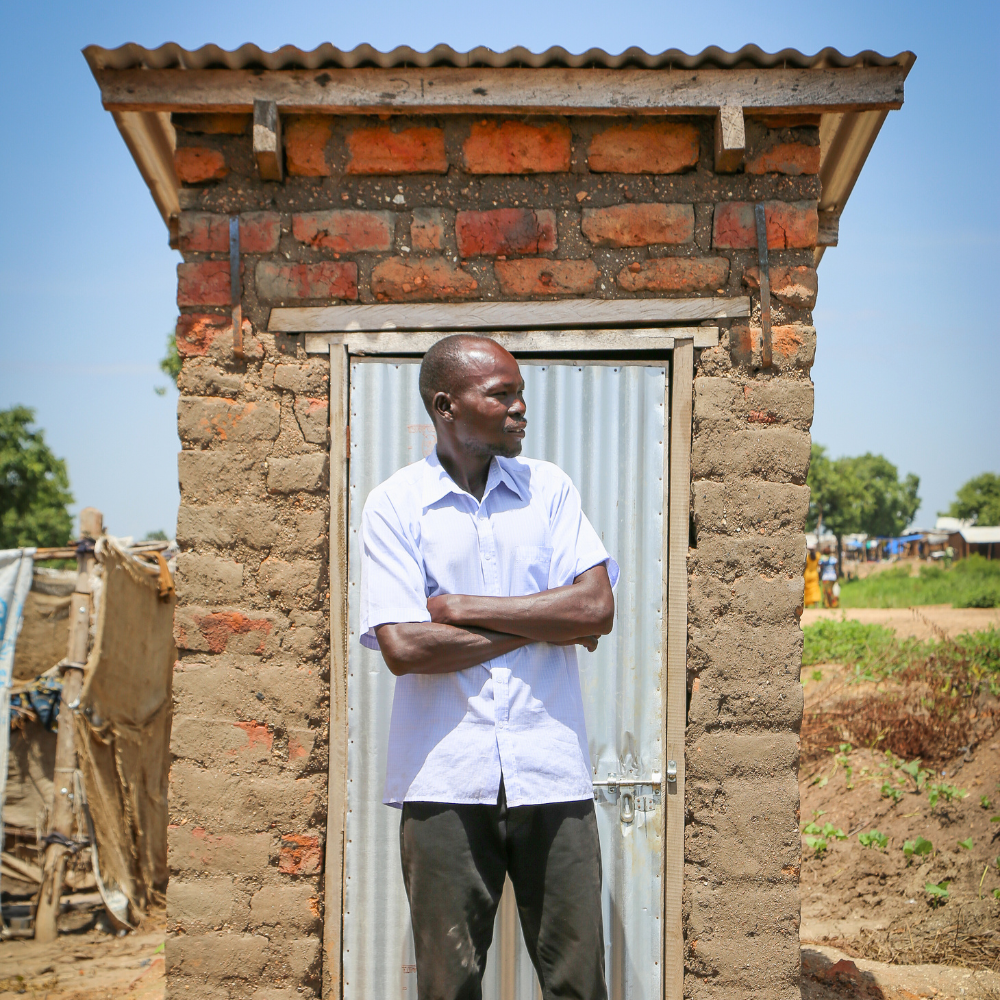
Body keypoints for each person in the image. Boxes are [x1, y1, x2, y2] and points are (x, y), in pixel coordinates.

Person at [359, 335, 617, 1000]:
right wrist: (540, 627)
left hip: (551, 772)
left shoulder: (549, 490)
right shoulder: (395, 505)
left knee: (579, 983)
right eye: (501, 394)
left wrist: (464, 609)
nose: (520, 407)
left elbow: (594, 609)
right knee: (448, 988)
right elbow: (405, 649)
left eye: (519, 392)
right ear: (447, 406)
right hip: (443, 779)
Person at [804, 542, 821, 608]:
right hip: (814, 574)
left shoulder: (807, 557)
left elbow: (805, 566)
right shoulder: (817, 556)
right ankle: (816, 605)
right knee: (815, 589)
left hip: (807, 574)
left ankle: (807, 605)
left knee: (807, 589)